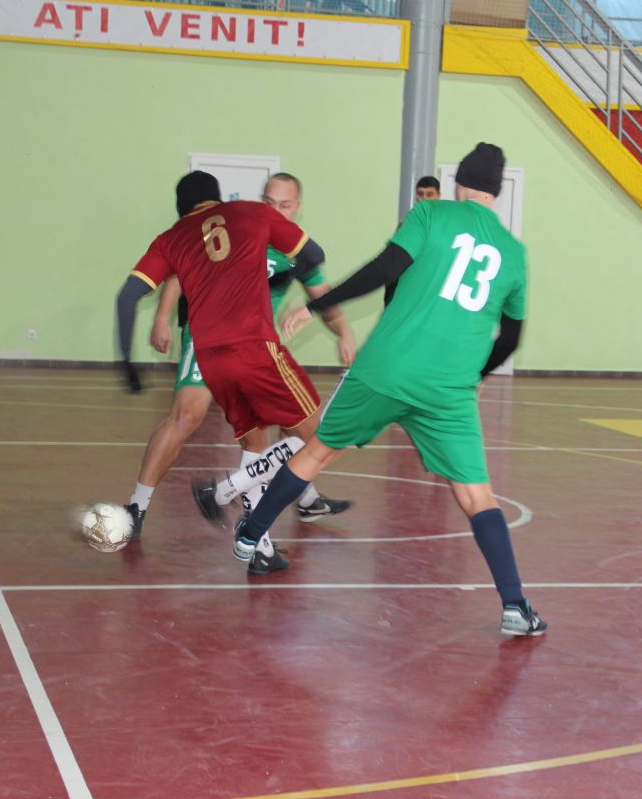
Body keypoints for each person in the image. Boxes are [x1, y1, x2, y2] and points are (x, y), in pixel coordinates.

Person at [221, 142, 546, 636]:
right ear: (496, 194)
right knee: (477, 494)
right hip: (448, 387)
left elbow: (383, 270)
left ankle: (251, 532)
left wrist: (316, 305)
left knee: (319, 451)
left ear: (458, 182)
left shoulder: (431, 213)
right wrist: (477, 377)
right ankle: (515, 606)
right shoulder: (515, 254)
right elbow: (511, 337)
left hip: (387, 368)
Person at [116, 171, 329, 575]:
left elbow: (127, 296)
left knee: (254, 440)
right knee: (324, 436)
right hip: (253, 346)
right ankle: (223, 489)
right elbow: (313, 254)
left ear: (182, 208)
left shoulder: (172, 238)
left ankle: (259, 546)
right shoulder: (250, 214)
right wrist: (285, 268)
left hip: (210, 353)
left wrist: (126, 360)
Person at [385, 176, 444, 305]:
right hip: (408, 286)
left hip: (432, 287)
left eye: (430, 194)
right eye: (421, 194)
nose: (425, 198)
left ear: (438, 195)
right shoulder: (407, 223)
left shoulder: (445, 224)